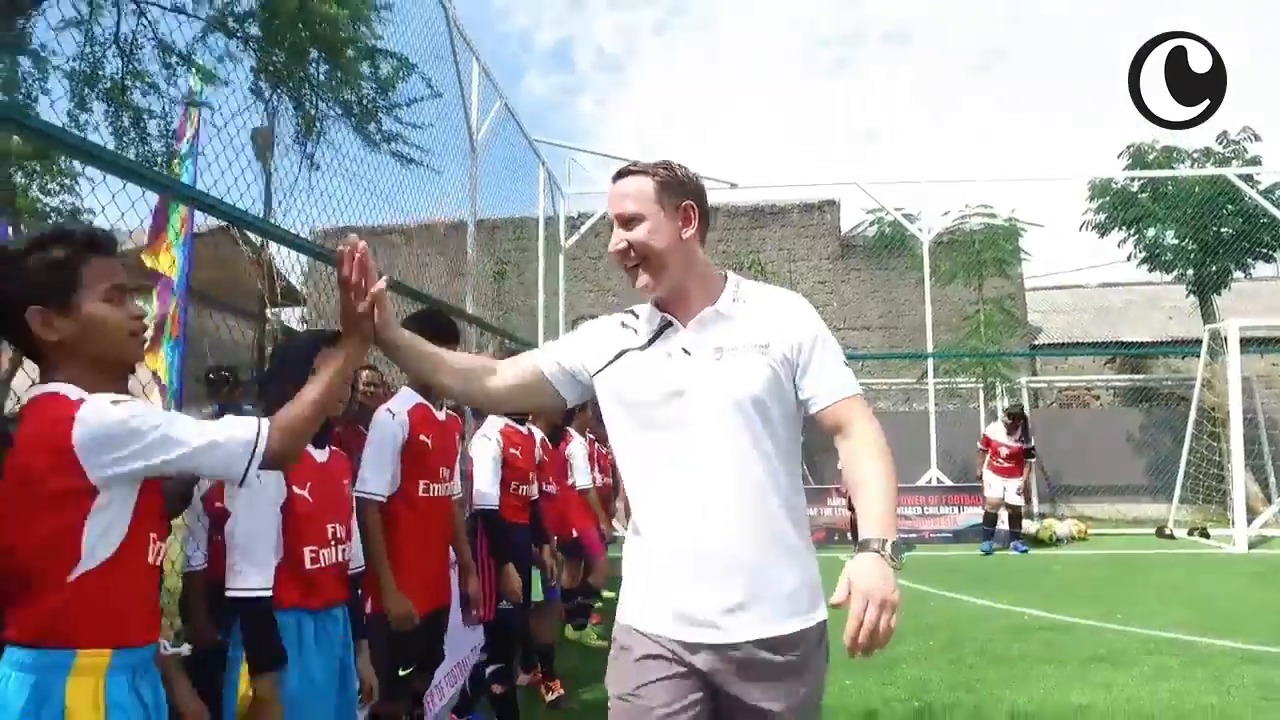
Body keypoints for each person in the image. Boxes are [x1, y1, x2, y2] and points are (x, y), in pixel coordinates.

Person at [346, 159, 902, 719]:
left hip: (777, 632)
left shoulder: (782, 317)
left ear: (687, 220)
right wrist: (387, 334)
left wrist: (877, 549)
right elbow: (489, 379)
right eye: (612, 227)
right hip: (654, 634)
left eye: (631, 222)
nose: (615, 244)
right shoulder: (609, 341)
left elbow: (855, 430)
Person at [0, 225, 372, 719]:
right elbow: (277, 445)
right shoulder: (94, 421)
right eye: (114, 299)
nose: (138, 312)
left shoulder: (66, 424)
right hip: (79, 688)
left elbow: (107, 589)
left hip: (108, 668)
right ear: (48, 324)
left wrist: (174, 682)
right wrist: (354, 343)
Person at [221, 329, 378, 720]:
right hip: (283, 635)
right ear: (293, 379)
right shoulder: (266, 458)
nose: (342, 383)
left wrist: (361, 653)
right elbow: (249, 589)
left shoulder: (340, 462)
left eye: (346, 372)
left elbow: (349, 574)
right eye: (322, 372)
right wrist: (266, 685)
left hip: (335, 630)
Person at [354, 308, 482, 720]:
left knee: (422, 681)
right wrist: (389, 591)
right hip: (398, 594)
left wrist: (468, 569)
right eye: (442, 353)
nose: (449, 364)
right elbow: (368, 505)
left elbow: (450, 501)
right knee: (389, 699)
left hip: (436, 589)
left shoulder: (452, 423)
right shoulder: (392, 417)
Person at [447, 412, 548, 720]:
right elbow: (486, 508)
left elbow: (532, 499)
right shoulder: (490, 436)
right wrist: (504, 566)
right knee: (501, 638)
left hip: (520, 543)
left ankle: (461, 710)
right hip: (494, 547)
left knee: (510, 635)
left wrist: (544, 544)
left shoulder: (530, 436)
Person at [517, 410, 570, 707]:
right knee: (542, 613)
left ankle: (533, 669)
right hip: (532, 548)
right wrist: (541, 548)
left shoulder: (547, 445)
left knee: (543, 611)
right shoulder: (531, 442)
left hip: (546, 546)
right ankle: (547, 682)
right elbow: (525, 501)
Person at [559, 405, 611, 649]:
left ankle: (574, 623)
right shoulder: (576, 444)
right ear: (579, 413)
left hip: (568, 517)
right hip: (577, 518)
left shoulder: (567, 439)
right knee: (600, 567)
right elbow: (584, 487)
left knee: (572, 570)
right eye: (588, 411)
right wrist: (602, 520)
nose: (591, 416)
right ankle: (577, 623)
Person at [976, 403, 1036, 556]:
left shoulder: (1026, 435)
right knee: (993, 503)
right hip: (993, 472)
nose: (1006, 423)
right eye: (1006, 419)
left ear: (1018, 421)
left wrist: (1024, 481)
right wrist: (979, 469)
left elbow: (1028, 461)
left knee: (1014, 507)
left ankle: (1015, 541)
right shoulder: (993, 429)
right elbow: (983, 450)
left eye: (1010, 420)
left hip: (1015, 475)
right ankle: (987, 541)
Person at [332, 364, 388, 473]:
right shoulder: (341, 433)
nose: (371, 390)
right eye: (366, 385)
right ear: (355, 391)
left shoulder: (390, 430)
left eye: (376, 386)